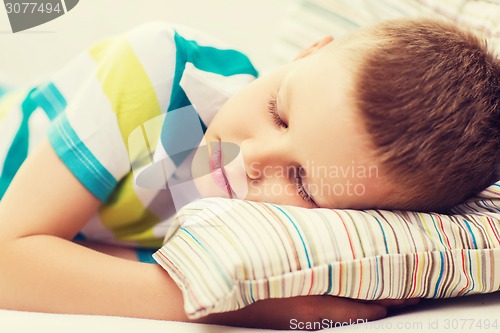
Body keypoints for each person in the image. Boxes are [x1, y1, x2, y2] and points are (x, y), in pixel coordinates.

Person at [0, 18, 498, 330]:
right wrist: (225, 308)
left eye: (302, 183)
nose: (253, 157)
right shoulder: (159, 69)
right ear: (308, 54)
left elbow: (68, 254)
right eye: (278, 112)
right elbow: (8, 263)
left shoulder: (258, 241)